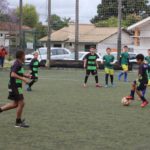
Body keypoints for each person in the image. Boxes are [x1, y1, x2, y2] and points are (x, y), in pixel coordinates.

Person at [0, 51, 31, 128]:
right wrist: (23, 79)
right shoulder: (17, 63)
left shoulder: (19, 63)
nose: (25, 57)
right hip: (15, 86)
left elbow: (17, 73)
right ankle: (18, 122)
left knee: (15, 104)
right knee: (21, 103)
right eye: (24, 55)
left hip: (17, 86)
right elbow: (12, 74)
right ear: (21, 56)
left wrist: (26, 75)